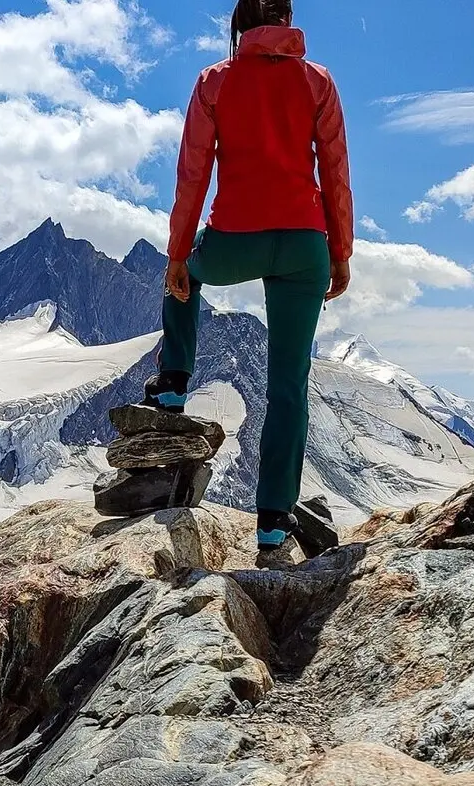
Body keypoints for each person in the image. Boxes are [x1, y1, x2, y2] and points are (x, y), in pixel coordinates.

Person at [146, 0, 352, 566]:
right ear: (288, 23)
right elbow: (334, 169)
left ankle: (172, 385)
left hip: (236, 236)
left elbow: (194, 172)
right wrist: (340, 253)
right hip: (305, 242)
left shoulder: (215, 81)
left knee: (183, 280)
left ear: (237, 28)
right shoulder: (318, 82)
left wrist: (178, 255)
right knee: (289, 387)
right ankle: (271, 530)